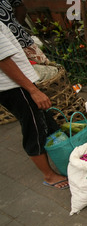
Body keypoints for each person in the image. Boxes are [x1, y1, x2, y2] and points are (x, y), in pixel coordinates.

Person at [0, 21, 68, 189]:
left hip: (16, 84)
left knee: (46, 121)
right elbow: (2, 59)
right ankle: (49, 175)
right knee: (34, 127)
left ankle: (65, 159)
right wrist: (33, 90)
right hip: (14, 86)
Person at [0, 0, 50, 64]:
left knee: (48, 69)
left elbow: (20, 4)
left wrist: (16, 25)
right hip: (4, 52)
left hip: (23, 41)